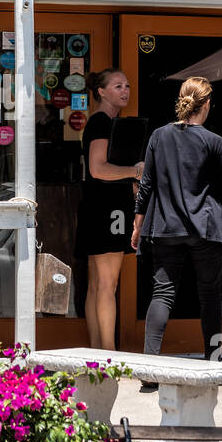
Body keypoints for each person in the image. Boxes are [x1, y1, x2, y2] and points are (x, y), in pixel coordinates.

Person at [130, 76, 222, 384]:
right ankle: (213, 366)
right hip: (206, 230)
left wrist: (138, 223)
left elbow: (146, 185)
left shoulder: (159, 136)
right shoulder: (214, 142)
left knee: (162, 293)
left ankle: (149, 370)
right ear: (207, 104)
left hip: (165, 227)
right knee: (210, 295)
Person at [76, 68, 143, 350]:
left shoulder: (105, 122)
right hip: (107, 208)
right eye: (117, 86)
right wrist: (134, 171)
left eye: (127, 85)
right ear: (101, 91)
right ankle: (108, 353)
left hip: (99, 205)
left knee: (97, 284)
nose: (125, 91)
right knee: (107, 285)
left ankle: (97, 350)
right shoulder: (101, 122)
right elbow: (97, 167)